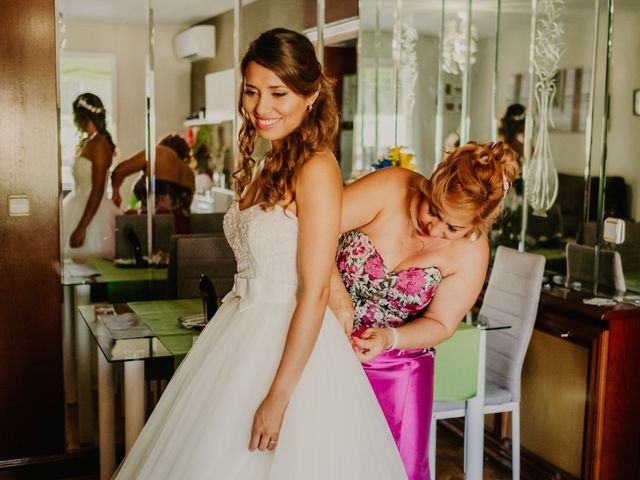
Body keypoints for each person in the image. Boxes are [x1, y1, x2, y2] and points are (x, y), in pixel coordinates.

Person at [113, 28, 407, 480]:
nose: (261, 107)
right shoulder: (273, 160)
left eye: (278, 93)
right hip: (238, 327)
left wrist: (279, 397)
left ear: (310, 96)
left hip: (287, 340)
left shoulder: (317, 167)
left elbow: (312, 292)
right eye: (252, 92)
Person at [329, 141, 519, 480]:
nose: (434, 228)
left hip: (396, 369)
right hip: (324, 346)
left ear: (478, 225)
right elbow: (313, 231)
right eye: (432, 209)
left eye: (453, 228)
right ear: (430, 183)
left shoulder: (472, 255)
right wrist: (336, 295)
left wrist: (390, 337)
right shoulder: (391, 187)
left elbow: (441, 323)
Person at [62, 93, 121, 259]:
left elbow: (97, 189)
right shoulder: (89, 142)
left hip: (93, 213)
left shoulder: (99, 144)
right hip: (78, 205)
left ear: (82, 116)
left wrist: (82, 227)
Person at [111, 134, 195, 234]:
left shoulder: (159, 152)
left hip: (155, 233)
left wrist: (115, 191)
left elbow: (118, 172)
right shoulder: (190, 174)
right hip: (182, 237)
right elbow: (175, 210)